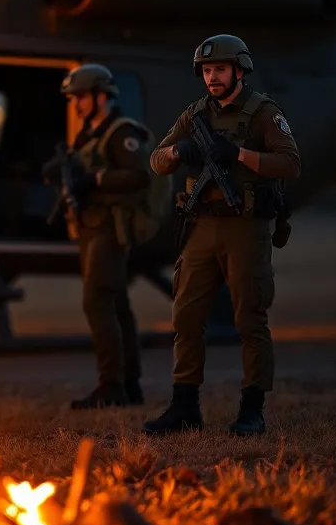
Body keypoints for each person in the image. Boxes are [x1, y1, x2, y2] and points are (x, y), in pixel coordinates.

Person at [142, 34, 300, 437]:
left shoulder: (262, 112)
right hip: (202, 226)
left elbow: (290, 163)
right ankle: (184, 406)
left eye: (220, 70)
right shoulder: (195, 115)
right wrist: (179, 153)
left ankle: (252, 409)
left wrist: (240, 155)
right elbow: (157, 160)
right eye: (207, 71)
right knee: (186, 316)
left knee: (249, 318)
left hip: (245, 226)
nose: (212, 77)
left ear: (239, 71)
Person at [41, 63, 155, 410]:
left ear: (101, 96)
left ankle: (111, 386)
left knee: (97, 300)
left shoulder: (120, 132)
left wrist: (96, 179)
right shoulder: (88, 134)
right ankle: (129, 384)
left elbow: (139, 175)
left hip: (110, 227)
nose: (76, 104)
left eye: (81, 97)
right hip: (89, 226)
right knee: (116, 301)